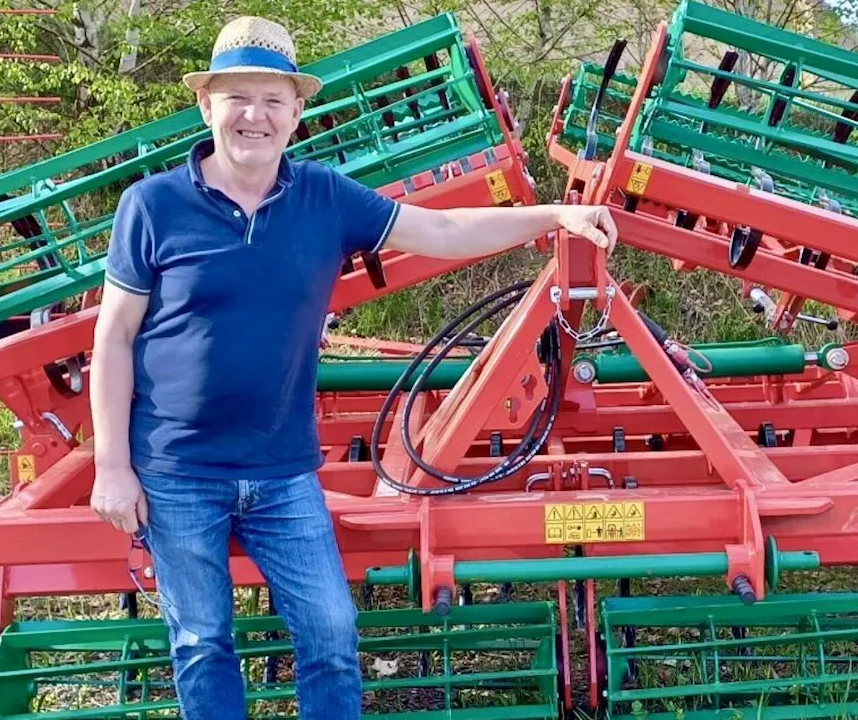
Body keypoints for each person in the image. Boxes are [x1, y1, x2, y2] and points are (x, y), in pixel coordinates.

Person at [87, 15, 616, 720]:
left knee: (332, 632)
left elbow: (442, 231)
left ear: (297, 113)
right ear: (206, 104)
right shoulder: (151, 206)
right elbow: (113, 340)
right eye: (238, 96)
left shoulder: (324, 198)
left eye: (274, 100)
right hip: (177, 469)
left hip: (283, 471)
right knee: (201, 639)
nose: (255, 115)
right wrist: (113, 467)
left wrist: (554, 216)